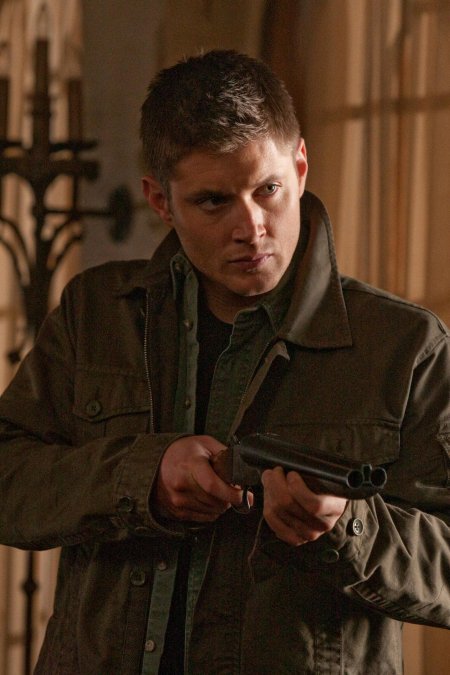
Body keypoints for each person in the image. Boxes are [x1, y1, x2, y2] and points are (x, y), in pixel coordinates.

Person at [0, 49, 449, 675]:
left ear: (300, 165)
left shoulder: (405, 346)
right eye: (213, 202)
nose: (251, 227)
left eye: (268, 190)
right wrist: (141, 478)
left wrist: (348, 527)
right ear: (160, 200)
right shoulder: (93, 312)